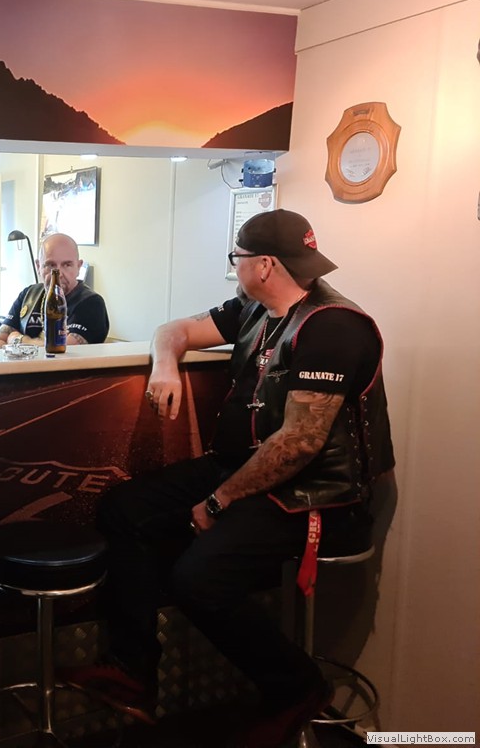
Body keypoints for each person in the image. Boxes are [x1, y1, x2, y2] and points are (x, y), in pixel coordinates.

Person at [60, 209, 394, 747]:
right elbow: (173, 330)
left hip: (315, 494)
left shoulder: (333, 326)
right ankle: (133, 667)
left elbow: (300, 443)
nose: (234, 267)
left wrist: (217, 501)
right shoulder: (254, 308)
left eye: (237, 258)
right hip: (245, 469)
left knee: (200, 579)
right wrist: (164, 365)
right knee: (125, 509)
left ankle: (296, 686)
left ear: (264, 265)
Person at [0, 232, 109, 347]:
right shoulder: (28, 294)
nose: (58, 273)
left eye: (67, 265)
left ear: (78, 267)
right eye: (51, 265)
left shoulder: (91, 303)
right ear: (38, 267)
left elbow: (62, 352)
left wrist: (17, 339)